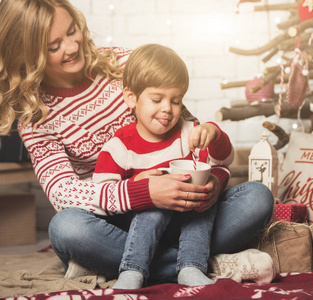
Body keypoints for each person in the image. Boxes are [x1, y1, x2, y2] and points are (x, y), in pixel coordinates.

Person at [0, 0, 274, 285]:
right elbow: (62, 193)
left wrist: (213, 182)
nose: (71, 47)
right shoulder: (35, 117)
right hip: (115, 222)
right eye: (53, 46)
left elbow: (191, 135)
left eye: (72, 31)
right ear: (27, 55)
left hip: (183, 211)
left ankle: (127, 265)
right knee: (66, 228)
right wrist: (140, 193)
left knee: (257, 197)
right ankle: (205, 264)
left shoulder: (123, 64)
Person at [93, 43, 232, 289]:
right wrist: (137, 187)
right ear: (131, 98)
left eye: (176, 101)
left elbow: (223, 162)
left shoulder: (189, 131)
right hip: (142, 228)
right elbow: (102, 197)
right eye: (157, 99)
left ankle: (190, 266)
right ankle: (133, 270)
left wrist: (214, 133)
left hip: (190, 221)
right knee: (70, 227)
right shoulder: (120, 146)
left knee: (251, 197)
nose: (167, 108)